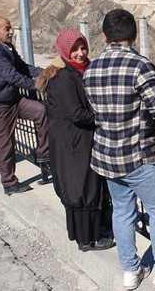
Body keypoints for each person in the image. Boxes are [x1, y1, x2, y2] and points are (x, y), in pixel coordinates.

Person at [83, 9, 155, 291]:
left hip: (106, 156)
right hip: (138, 156)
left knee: (123, 212)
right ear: (134, 35)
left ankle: (130, 269)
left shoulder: (91, 69)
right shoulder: (139, 66)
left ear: (104, 36)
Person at [36, 29, 115, 252]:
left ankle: (94, 231)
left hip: (78, 139)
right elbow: (77, 113)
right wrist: (105, 117)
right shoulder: (63, 79)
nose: (81, 53)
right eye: (75, 49)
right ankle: (87, 239)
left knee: (87, 186)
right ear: (64, 51)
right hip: (73, 142)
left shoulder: (78, 71)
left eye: (83, 47)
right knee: (82, 188)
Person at [0, 16, 50, 195]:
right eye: (7, 29)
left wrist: (44, 73)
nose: (11, 31)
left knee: (41, 111)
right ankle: (9, 182)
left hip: (13, 99)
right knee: (5, 145)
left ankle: (43, 153)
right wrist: (36, 85)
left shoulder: (7, 47)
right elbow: (11, 75)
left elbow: (23, 68)